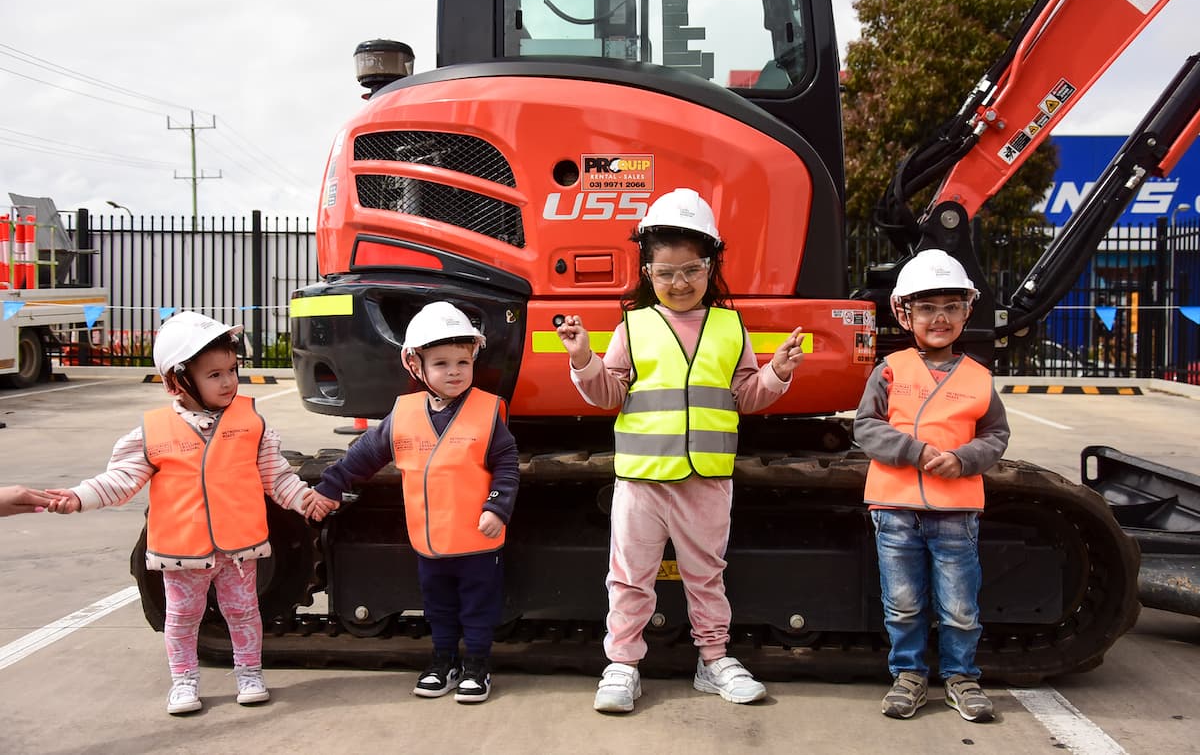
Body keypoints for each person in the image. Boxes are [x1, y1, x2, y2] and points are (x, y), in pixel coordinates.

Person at [555, 187, 805, 713]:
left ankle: (714, 660)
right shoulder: (633, 325)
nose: (680, 283)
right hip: (642, 480)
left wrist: (777, 373)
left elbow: (745, 395)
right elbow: (609, 393)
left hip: (706, 480)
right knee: (629, 578)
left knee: (707, 576)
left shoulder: (730, 327)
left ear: (711, 266)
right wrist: (583, 359)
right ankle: (623, 665)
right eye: (666, 272)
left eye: (692, 270)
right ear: (647, 272)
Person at [44, 311, 337, 716]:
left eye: (231, 370)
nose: (228, 381)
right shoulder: (153, 433)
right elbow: (120, 481)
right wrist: (79, 497)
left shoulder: (252, 424)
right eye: (214, 375)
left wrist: (307, 499)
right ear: (176, 381)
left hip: (239, 550)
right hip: (181, 554)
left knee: (244, 613)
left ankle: (249, 674)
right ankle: (183, 680)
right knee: (182, 618)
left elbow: (277, 478)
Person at [312, 301, 519, 704]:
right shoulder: (403, 415)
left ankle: (477, 666)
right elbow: (364, 456)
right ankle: (444, 662)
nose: (455, 371)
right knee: (438, 607)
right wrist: (330, 486)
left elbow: (507, 465)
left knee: (478, 607)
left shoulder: (486, 412)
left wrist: (497, 507)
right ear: (414, 364)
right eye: (441, 363)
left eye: (463, 362)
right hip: (430, 541)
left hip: (477, 542)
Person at [853, 249, 1010, 723]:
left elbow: (995, 435)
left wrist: (962, 460)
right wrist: (915, 451)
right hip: (895, 509)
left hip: (956, 511)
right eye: (926, 307)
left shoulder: (979, 378)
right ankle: (909, 675)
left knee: (960, 606)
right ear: (904, 313)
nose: (939, 318)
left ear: (967, 311)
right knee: (902, 604)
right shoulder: (890, 370)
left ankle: (962, 677)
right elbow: (866, 427)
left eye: (950, 307)